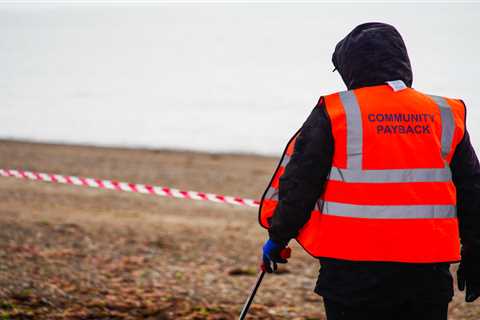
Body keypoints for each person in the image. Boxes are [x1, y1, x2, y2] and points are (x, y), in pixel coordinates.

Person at [258, 22, 480, 320]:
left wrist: (278, 237)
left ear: (351, 67)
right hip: (426, 274)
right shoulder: (445, 113)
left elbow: (300, 182)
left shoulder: (337, 111)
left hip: (351, 273)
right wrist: (475, 250)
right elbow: (472, 191)